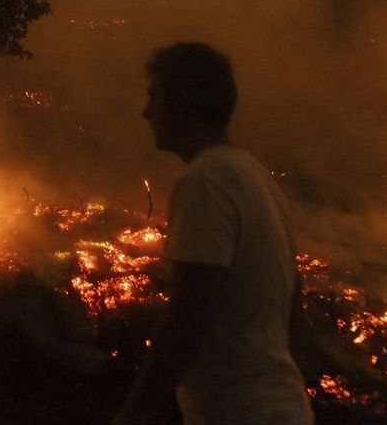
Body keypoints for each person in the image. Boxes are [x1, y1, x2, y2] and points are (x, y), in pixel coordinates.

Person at [113, 42, 313, 425]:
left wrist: (131, 417)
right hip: (281, 410)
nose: (145, 112)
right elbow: (294, 310)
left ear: (183, 102)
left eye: (154, 97)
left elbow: (187, 319)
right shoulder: (256, 177)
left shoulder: (204, 180)